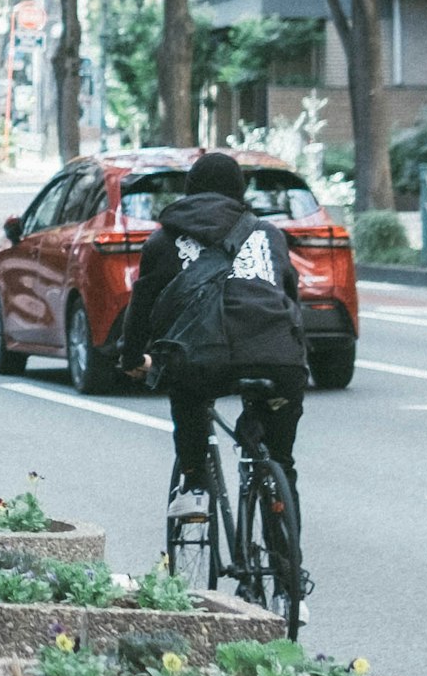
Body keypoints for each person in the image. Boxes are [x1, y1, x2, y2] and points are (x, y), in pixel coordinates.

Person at [115, 148, 311, 538]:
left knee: (186, 392)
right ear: (239, 192)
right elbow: (289, 296)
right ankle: (288, 573)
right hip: (280, 359)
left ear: (190, 192)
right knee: (280, 460)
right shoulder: (270, 235)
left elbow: (142, 306)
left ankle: (194, 483)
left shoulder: (163, 241)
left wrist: (133, 356)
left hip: (205, 360)